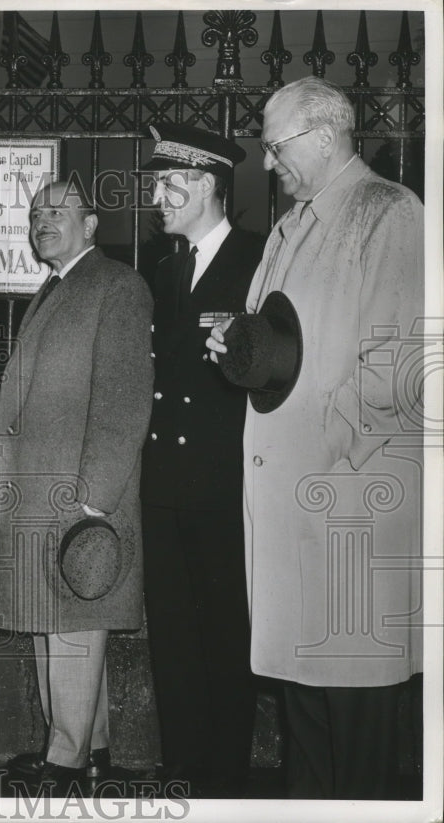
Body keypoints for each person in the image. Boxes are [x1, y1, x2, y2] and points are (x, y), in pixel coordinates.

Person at [207, 76, 424, 800]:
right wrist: (239, 350)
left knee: (355, 718)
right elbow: (284, 342)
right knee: (304, 708)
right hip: (293, 511)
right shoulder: (290, 225)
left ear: (325, 137)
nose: (266, 163)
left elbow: (396, 368)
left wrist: (323, 453)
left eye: (275, 147)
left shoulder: (390, 212)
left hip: (347, 509)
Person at [0, 180, 154, 793]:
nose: (42, 221)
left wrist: (92, 501)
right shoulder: (59, 287)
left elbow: (123, 405)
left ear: (91, 225)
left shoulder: (116, 286)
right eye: (35, 213)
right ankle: (93, 750)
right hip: (43, 496)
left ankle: (62, 758)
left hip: (80, 499)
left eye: (57, 212)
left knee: (73, 624)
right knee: (53, 620)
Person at [139, 125, 264, 798]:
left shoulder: (258, 260)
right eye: (157, 184)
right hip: (164, 486)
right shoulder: (166, 268)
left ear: (210, 185)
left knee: (224, 634)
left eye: (170, 185)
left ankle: (225, 775)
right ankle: (181, 764)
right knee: (174, 635)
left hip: (223, 484)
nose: (157, 198)